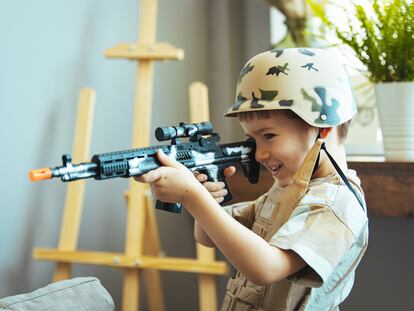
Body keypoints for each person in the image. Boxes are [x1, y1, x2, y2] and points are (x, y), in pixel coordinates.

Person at [135, 48, 369, 310]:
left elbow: (266, 268)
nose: (259, 154)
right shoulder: (288, 191)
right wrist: (202, 199)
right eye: (252, 139)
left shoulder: (335, 204)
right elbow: (208, 238)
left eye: (268, 136)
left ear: (322, 129)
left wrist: (193, 196)